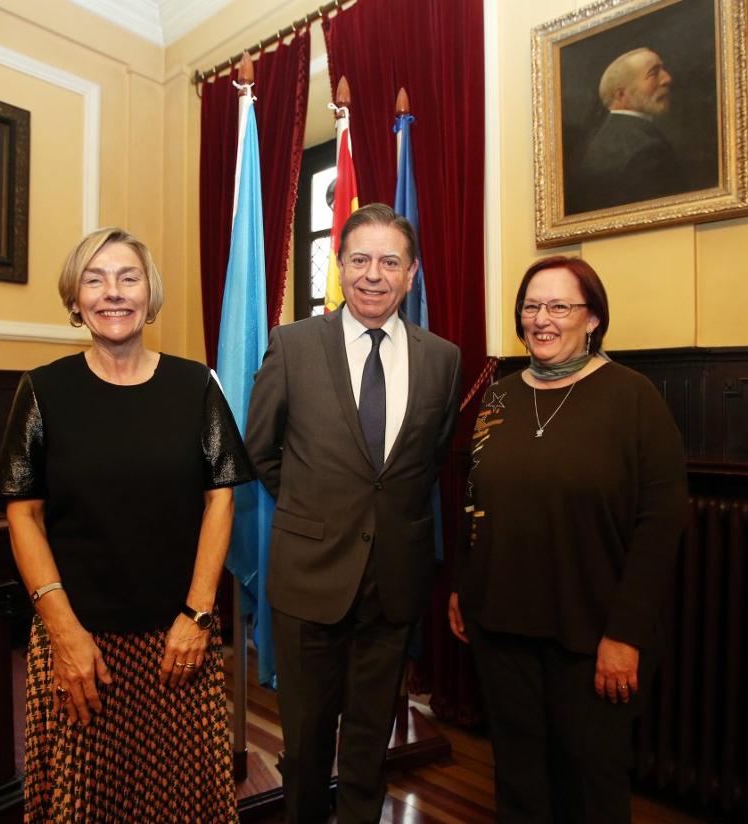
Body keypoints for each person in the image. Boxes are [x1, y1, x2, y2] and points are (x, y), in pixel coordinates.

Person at [0, 227, 253, 822]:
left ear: (150, 294)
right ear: (75, 299)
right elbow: (22, 513)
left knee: (185, 801)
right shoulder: (43, 389)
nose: (113, 292)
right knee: (85, 805)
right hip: (82, 646)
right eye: (95, 278)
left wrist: (198, 615)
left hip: (179, 642)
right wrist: (63, 634)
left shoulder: (196, 385)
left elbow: (221, 500)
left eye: (128, 277)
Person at [448, 255, 688, 823]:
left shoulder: (633, 398)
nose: (542, 319)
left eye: (560, 306)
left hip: (592, 634)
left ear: (593, 319)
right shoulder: (500, 395)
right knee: (519, 778)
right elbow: (473, 499)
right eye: (531, 306)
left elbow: (662, 521)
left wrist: (625, 634)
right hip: (501, 626)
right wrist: (464, 586)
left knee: (589, 779)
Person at [245, 203, 463, 823]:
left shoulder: (442, 360)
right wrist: (319, 508)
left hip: (393, 580)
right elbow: (260, 446)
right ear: (339, 267)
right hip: (309, 574)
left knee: (371, 740)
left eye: (390, 261)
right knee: (308, 740)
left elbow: (429, 459)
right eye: (360, 260)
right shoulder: (292, 345)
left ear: (412, 273)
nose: (374, 275)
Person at [568, 47, 686, 214]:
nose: (667, 79)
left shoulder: (602, 136)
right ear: (622, 95)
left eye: (663, 70)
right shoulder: (647, 149)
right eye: (654, 73)